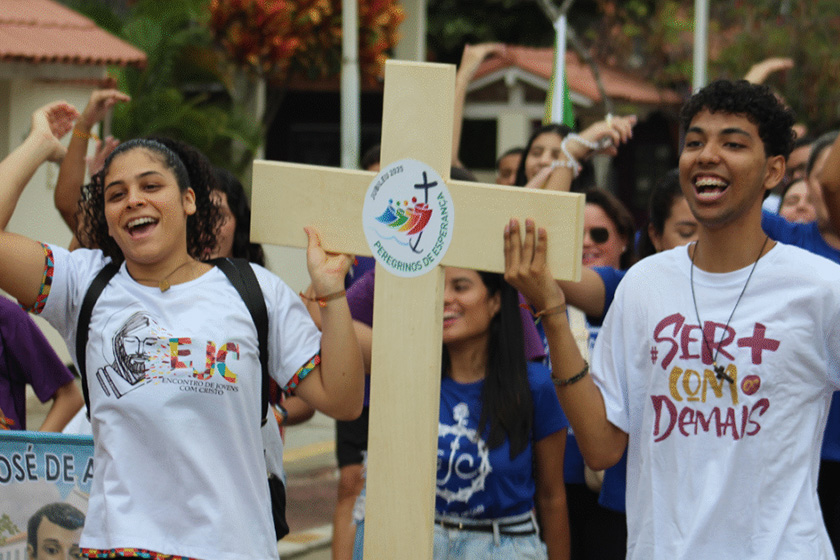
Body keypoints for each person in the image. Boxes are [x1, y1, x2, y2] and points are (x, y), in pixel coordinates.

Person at [0, 106, 364, 559]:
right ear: (107, 218)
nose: (134, 200)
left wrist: (332, 293)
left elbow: (343, 400)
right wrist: (38, 145)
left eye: (151, 186)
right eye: (116, 194)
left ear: (189, 200)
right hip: (121, 547)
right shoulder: (81, 284)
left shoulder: (254, 290)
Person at [537, 79, 840, 559]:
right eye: (695, 142)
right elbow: (601, 447)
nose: (707, 156)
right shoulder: (644, 284)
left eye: (733, 144)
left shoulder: (821, 288)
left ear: (774, 170)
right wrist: (554, 317)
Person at [353, 265, 570, 559]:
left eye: (460, 287)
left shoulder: (535, 386)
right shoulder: (408, 375)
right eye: (439, 286)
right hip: (415, 543)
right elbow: (330, 319)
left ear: (495, 301)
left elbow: (552, 496)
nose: (445, 298)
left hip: (502, 547)